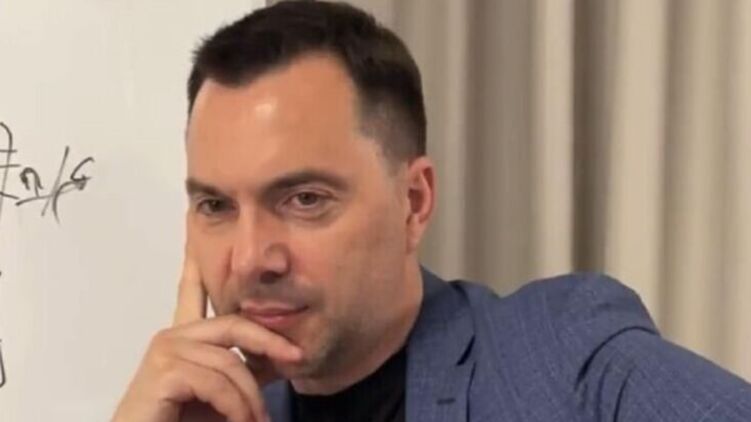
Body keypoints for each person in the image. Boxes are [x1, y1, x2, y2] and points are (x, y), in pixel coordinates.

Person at [112, 1, 751, 421]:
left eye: (305, 200)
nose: (252, 259)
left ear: (413, 203)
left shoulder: (557, 359)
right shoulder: (215, 410)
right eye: (216, 205)